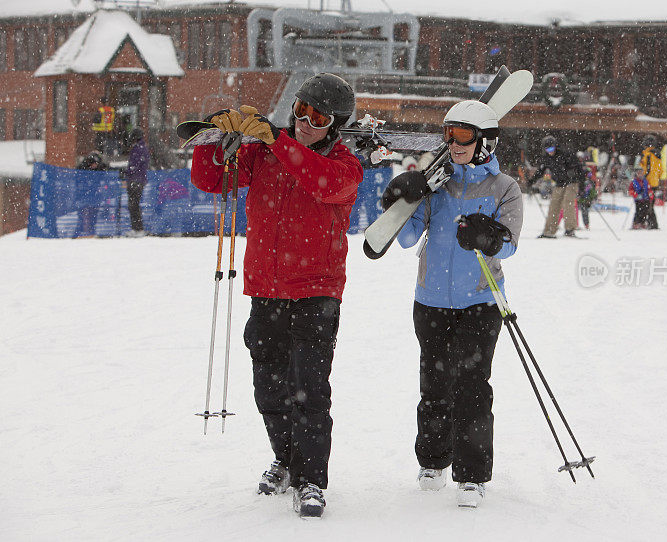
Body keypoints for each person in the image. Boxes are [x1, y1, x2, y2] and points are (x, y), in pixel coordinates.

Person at [190, 73, 362, 519]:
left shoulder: (344, 164)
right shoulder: (264, 152)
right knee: (269, 389)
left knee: (310, 391)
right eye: (300, 110)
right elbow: (212, 181)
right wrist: (217, 140)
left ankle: (311, 480)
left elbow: (321, 182)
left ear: (337, 125)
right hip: (265, 290)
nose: (305, 122)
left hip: (316, 292)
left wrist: (279, 141)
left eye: (318, 117)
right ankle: (285, 460)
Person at [381, 99, 523, 508]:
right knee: (434, 385)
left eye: (463, 135)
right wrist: (403, 200)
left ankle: (472, 474)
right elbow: (408, 239)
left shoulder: (504, 188)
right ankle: (433, 461)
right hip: (430, 302)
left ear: (484, 142)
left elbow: (510, 245)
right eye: (449, 134)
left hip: (480, 301)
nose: (454, 143)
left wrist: (489, 237)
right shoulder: (436, 183)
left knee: (473, 388)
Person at [536, 135, 582, 238]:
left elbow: (579, 168)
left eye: (552, 148)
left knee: (567, 203)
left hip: (571, 182)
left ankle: (570, 229)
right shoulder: (547, 158)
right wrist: (531, 181)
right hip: (560, 184)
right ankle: (549, 231)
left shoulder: (566, 154)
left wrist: (577, 179)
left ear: (555, 146)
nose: (550, 151)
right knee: (554, 205)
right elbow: (540, 171)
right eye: (547, 149)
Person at [75, 151, 109, 237]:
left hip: (94, 197)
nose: (95, 166)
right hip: (84, 196)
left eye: (96, 164)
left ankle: (91, 231)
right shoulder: (82, 169)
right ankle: (81, 232)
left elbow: (104, 172)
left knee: (93, 215)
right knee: (83, 215)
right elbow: (78, 182)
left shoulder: (99, 169)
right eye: (94, 164)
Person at [125, 127, 149, 237]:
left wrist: (127, 172)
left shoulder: (138, 149)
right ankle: (138, 228)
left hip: (135, 180)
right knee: (134, 204)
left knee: (133, 205)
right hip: (139, 180)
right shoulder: (143, 147)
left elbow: (134, 165)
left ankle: (137, 229)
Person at [639, 134, 663, 229]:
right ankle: (650, 223)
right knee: (650, 204)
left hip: (647, 182)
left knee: (646, 204)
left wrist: (643, 178)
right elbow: (661, 170)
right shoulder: (658, 156)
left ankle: (652, 223)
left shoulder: (648, 155)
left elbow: (647, 169)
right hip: (655, 183)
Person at [628, 165, 651, 229]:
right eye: (639, 173)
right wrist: (635, 194)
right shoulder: (634, 182)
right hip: (638, 200)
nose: (640, 174)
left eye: (641, 173)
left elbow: (649, 189)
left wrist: (650, 195)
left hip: (645, 199)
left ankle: (643, 223)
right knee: (638, 212)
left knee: (645, 212)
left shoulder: (645, 181)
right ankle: (636, 223)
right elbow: (630, 190)